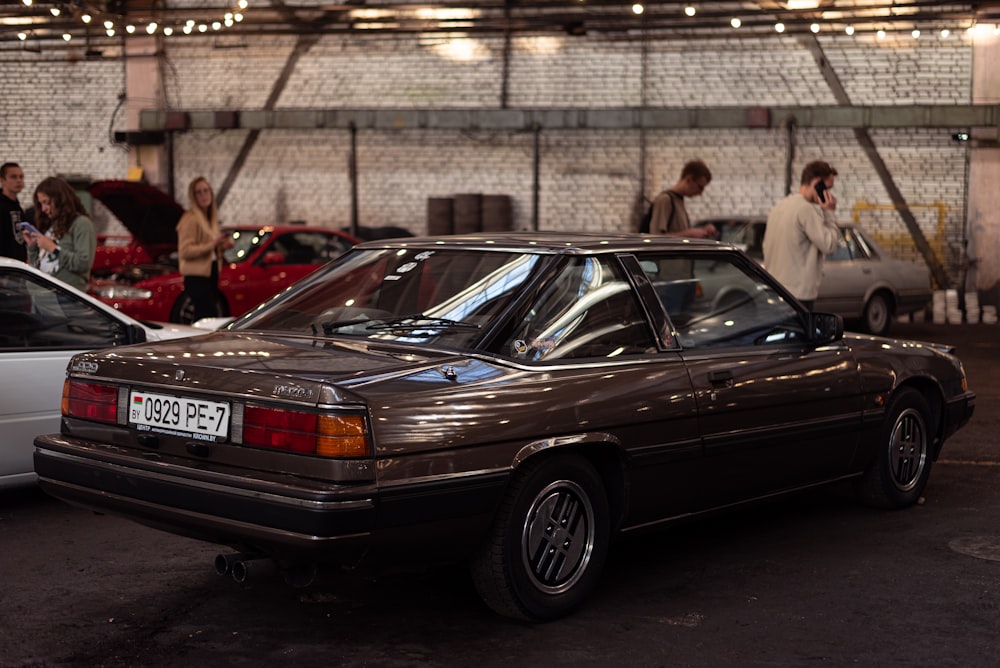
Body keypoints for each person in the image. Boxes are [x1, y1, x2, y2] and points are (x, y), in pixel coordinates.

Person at [762, 160, 841, 311]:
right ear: (818, 183)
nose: (829, 193)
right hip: (797, 296)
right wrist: (829, 212)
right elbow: (829, 245)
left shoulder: (778, 207)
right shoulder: (806, 210)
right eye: (828, 188)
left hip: (774, 292)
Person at [23, 176, 96, 291]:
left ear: (59, 199)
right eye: (41, 204)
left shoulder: (81, 224)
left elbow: (83, 263)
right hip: (42, 300)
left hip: (65, 300)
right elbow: (37, 266)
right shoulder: (53, 225)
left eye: (46, 202)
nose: (44, 209)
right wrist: (32, 247)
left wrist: (53, 248)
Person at [176, 176, 233, 322]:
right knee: (207, 316)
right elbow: (185, 251)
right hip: (197, 277)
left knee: (207, 317)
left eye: (206, 191)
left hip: (211, 274)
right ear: (193, 196)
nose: (203, 195)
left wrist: (222, 246)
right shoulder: (191, 219)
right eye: (198, 192)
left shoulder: (210, 219)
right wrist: (212, 244)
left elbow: (211, 250)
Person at [648, 159, 717, 238]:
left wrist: (701, 231)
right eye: (700, 187)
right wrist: (689, 233)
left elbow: (678, 233)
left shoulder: (678, 200)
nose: (700, 193)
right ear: (689, 179)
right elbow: (655, 237)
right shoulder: (665, 200)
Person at [1, 162, 28, 262]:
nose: (19, 180)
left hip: (19, 266)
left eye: (21, 177)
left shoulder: (17, 207)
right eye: (13, 177)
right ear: (2, 180)